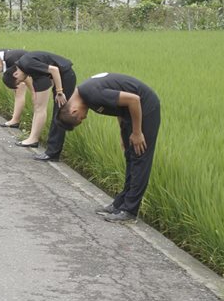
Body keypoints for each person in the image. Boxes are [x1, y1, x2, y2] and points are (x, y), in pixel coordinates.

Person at [56, 73, 161, 223]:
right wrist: (123, 132)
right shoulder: (85, 95)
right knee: (130, 157)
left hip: (145, 108)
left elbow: (134, 99)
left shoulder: (93, 94)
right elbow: (119, 105)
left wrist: (137, 132)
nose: (84, 118)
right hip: (130, 113)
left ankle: (129, 211)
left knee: (139, 158)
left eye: (81, 118)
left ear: (74, 111)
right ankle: (120, 204)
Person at [11, 50, 76, 159]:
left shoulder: (27, 64)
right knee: (57, 114)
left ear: (15, 74)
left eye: (18, 81)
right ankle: (51, 151)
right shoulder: (24, 64)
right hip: (62, 77)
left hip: (65, 77)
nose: (21, 81)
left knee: (59, 115)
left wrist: (59, 92)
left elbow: (54, 70)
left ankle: (52, 153)